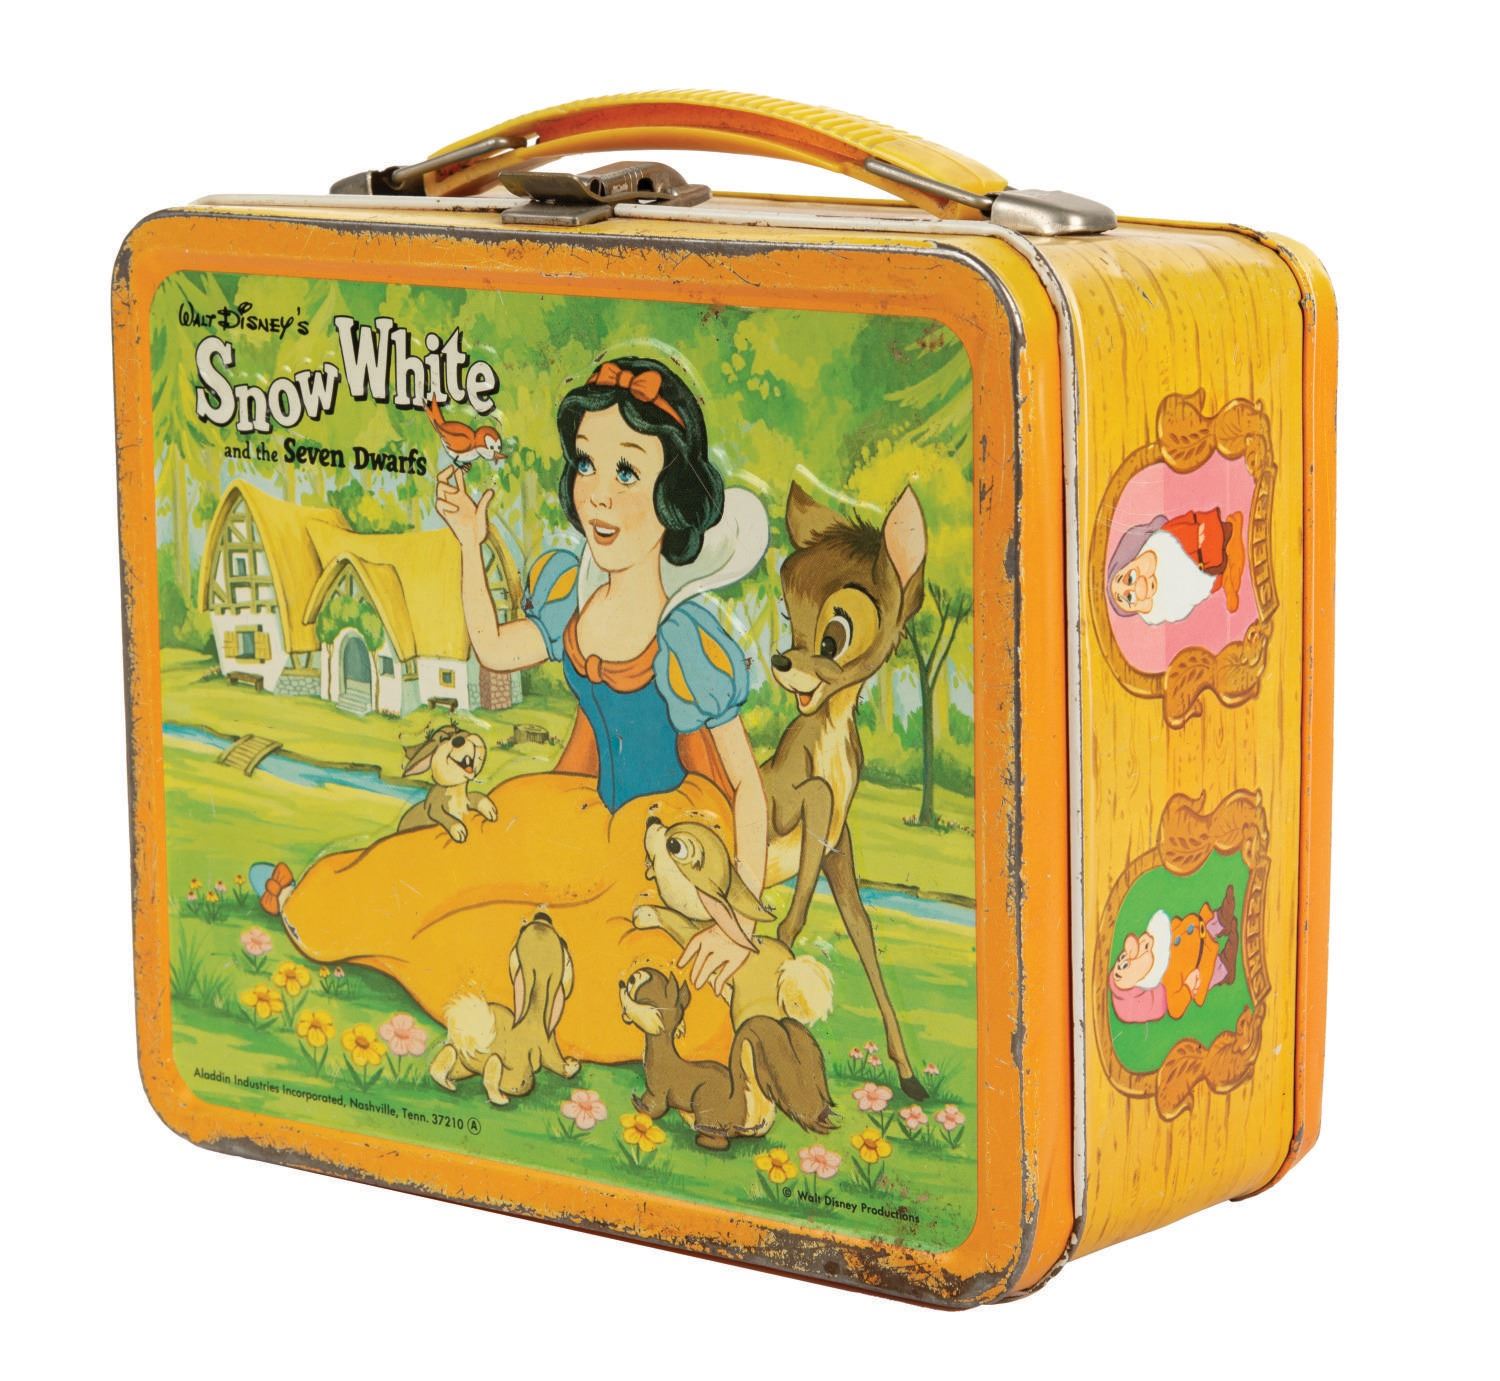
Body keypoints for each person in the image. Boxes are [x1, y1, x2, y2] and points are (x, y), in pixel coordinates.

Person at [257, 357, 771, 1064]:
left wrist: (738, 925)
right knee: (450, 859)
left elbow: (746, 786)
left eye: (627, 472)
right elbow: (495, 649)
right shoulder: (574, 596)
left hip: (661, 849)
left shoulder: (686, 637)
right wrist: (470, 543)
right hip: (585, 815)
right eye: (586, 464)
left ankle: (460, 988)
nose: (597, 495)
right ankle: (322, 909)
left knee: (559, 958)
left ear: (673, 496)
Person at [1107, 508, 1245, 624]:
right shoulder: (1169, 602)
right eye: (1129, 598)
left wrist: (1197, 538)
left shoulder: (1166, 541)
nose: (1139, 587)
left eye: (1129, 578)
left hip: (1207, 539)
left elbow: (1191, 531)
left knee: (1217, 542)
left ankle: (1231, 532)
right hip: (1208, 572)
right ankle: (1227, 571)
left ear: (1134, 558)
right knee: (1213, 575)